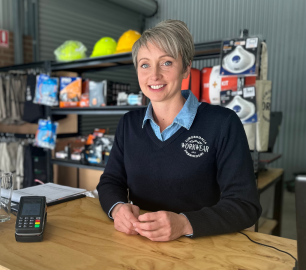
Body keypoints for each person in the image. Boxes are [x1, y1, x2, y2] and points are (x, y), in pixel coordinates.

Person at [96, 20, 261, 241]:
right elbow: (110, 181)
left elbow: (245, 205)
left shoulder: (223, 123)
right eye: (145, 64)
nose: (154, 75)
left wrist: (184, 223)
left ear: (186, 69)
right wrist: (117, 208)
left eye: (166, 63)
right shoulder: (129, 123)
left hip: (205, 247)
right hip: (140, 245)